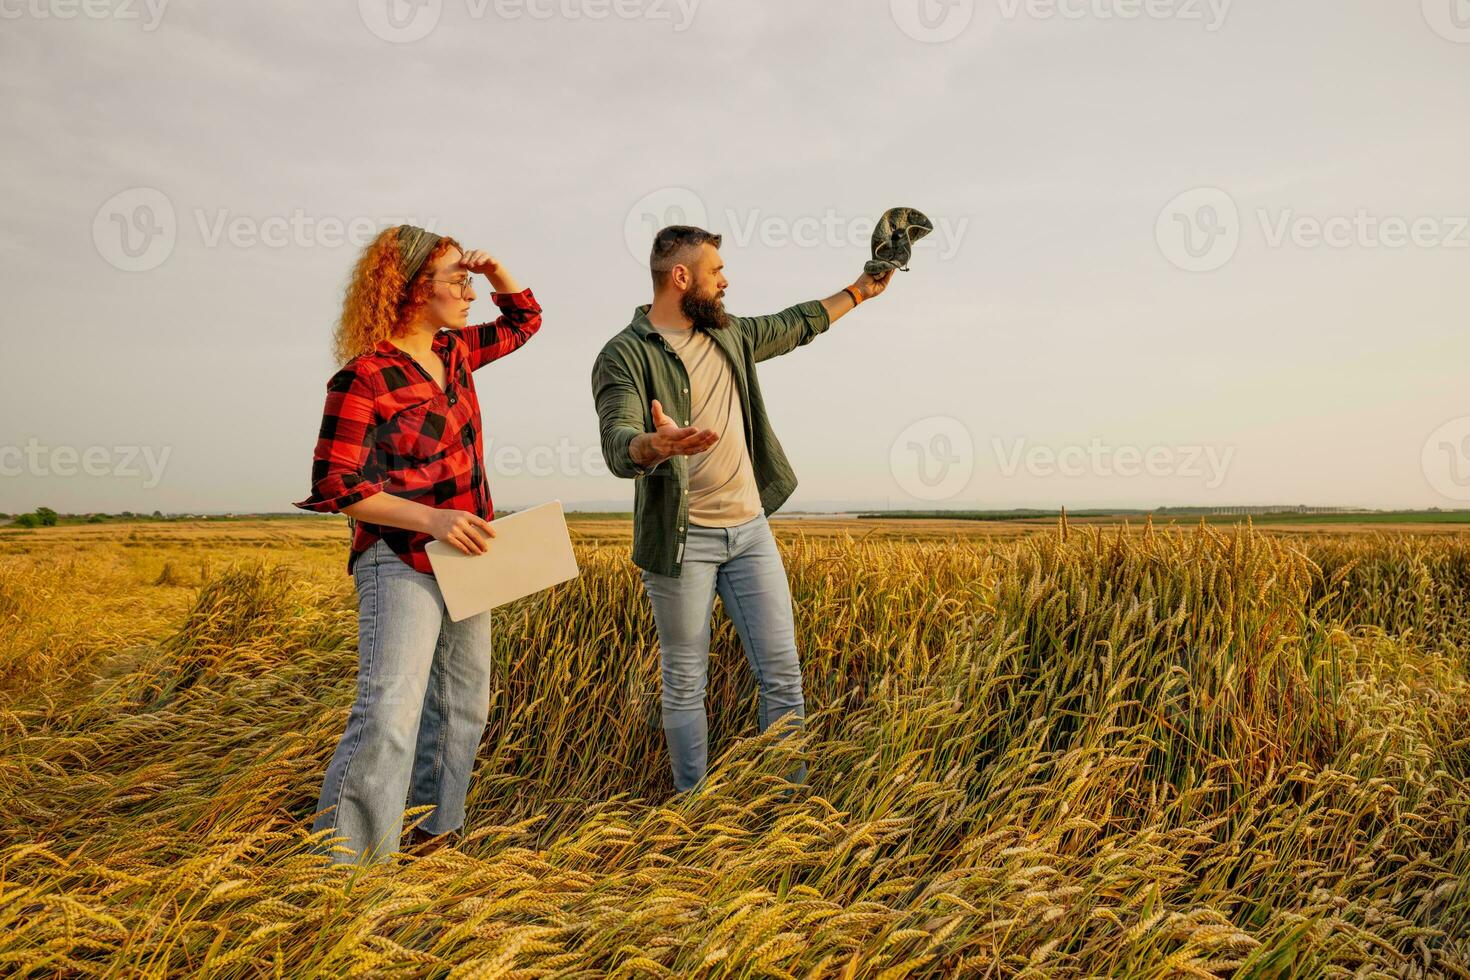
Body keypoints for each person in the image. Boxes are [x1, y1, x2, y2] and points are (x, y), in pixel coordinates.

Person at [590, 224, 894, 795]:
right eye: (716, 270)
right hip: (683, 540)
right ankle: (695, 806)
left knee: (781, 672)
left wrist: (859, 290)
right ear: (681, 277)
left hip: (750, 531)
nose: (725, 281)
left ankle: (787, 802)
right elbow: (618, 439)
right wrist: (654, 445)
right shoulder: (624, 355)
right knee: (684, 682)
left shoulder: (728, 334)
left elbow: (795, 323)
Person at [293, 224, 542, 864]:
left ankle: (431, 837)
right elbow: (335, 485)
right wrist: (429, 521)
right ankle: (345, 870)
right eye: (455, 278)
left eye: (467, 278)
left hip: (469, 559)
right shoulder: (364, 377)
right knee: (389, 715)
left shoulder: (456, 352)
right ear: (409, 290)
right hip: (399, 560)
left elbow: (524, 321)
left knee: (464, 709)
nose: (469, 290)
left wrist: (496, 272)